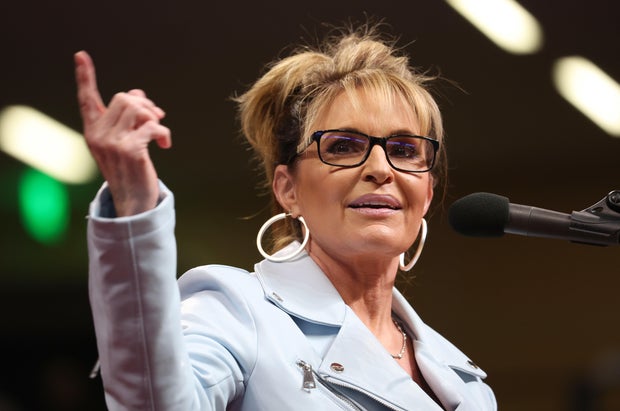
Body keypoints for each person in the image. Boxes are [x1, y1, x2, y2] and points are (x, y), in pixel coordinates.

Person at [76, 23, 497, 411]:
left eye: (404, 150)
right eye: (344, 146)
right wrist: (133, 208)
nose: (381, 168)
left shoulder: (468, 382)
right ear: (287, 190)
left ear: (427, 193)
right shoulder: (237, 312)